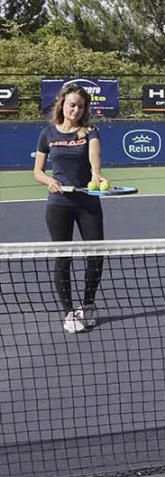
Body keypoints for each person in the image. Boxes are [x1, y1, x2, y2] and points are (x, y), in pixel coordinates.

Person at [33, 84, 108, 333]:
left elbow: (94, 155)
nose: (75, 110)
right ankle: (68, 312)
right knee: (63, 259)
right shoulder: (47, 134)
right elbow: (37, 172)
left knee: (96, 256)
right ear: (62, 104)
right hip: (59, 204)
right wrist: (49, 181)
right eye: (72, 104)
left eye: (81, 106)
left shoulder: (89, 131)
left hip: (87, 202)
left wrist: (96, 173)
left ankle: (87, 305)